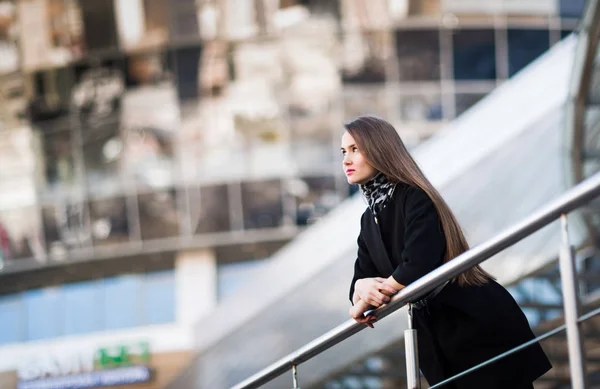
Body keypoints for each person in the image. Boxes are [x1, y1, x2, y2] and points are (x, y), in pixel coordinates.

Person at [342, 116, 552, 389]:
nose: (346, 159)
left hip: (474, 323)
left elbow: (418, 265)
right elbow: (358, 286)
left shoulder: (414, 197)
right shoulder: (369, 219)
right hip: (436, 338)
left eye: (355, 149)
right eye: (343, 152)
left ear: (380, 149)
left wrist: (376, 293)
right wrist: (362, 286)